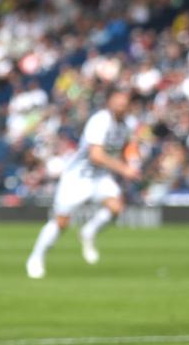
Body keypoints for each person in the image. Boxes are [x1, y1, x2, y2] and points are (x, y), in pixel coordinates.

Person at [26, 88, 139, 278]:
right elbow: (96, 155)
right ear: (110, 102)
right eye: (117, 101)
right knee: (61, 222)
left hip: (100, 176)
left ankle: (89, 231)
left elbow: (128, 145)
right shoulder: (100, 120)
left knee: (116, 207)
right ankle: (36, 257)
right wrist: (124, 169)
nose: (120, 105)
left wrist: (133, 162)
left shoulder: (128, 124)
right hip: (78, 177)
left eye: (124, 102)